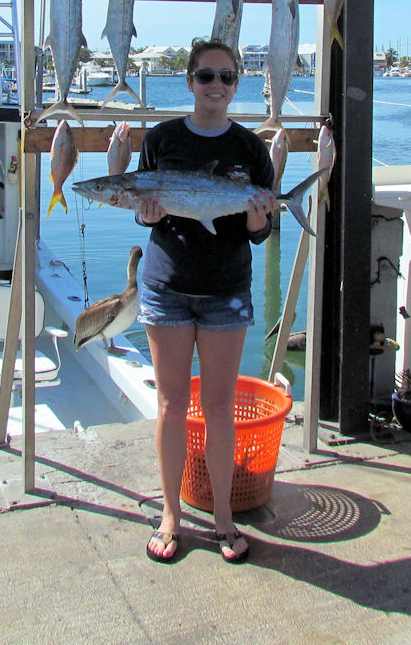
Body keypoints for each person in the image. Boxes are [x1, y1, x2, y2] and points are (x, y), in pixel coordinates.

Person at [136, 39, 276, 563]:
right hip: (166, 287)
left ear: (236, 85)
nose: (215, 86)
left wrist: (260, 217)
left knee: (219, 408)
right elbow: (144, 207)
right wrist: (144, 214)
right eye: (205, 76)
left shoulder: (251, 149)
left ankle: (221, 518)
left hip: (225, 291)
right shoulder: (161, 138)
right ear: (189, 81)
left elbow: (259, 232)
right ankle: (171, 514)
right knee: (172, 405)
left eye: (226, 77)